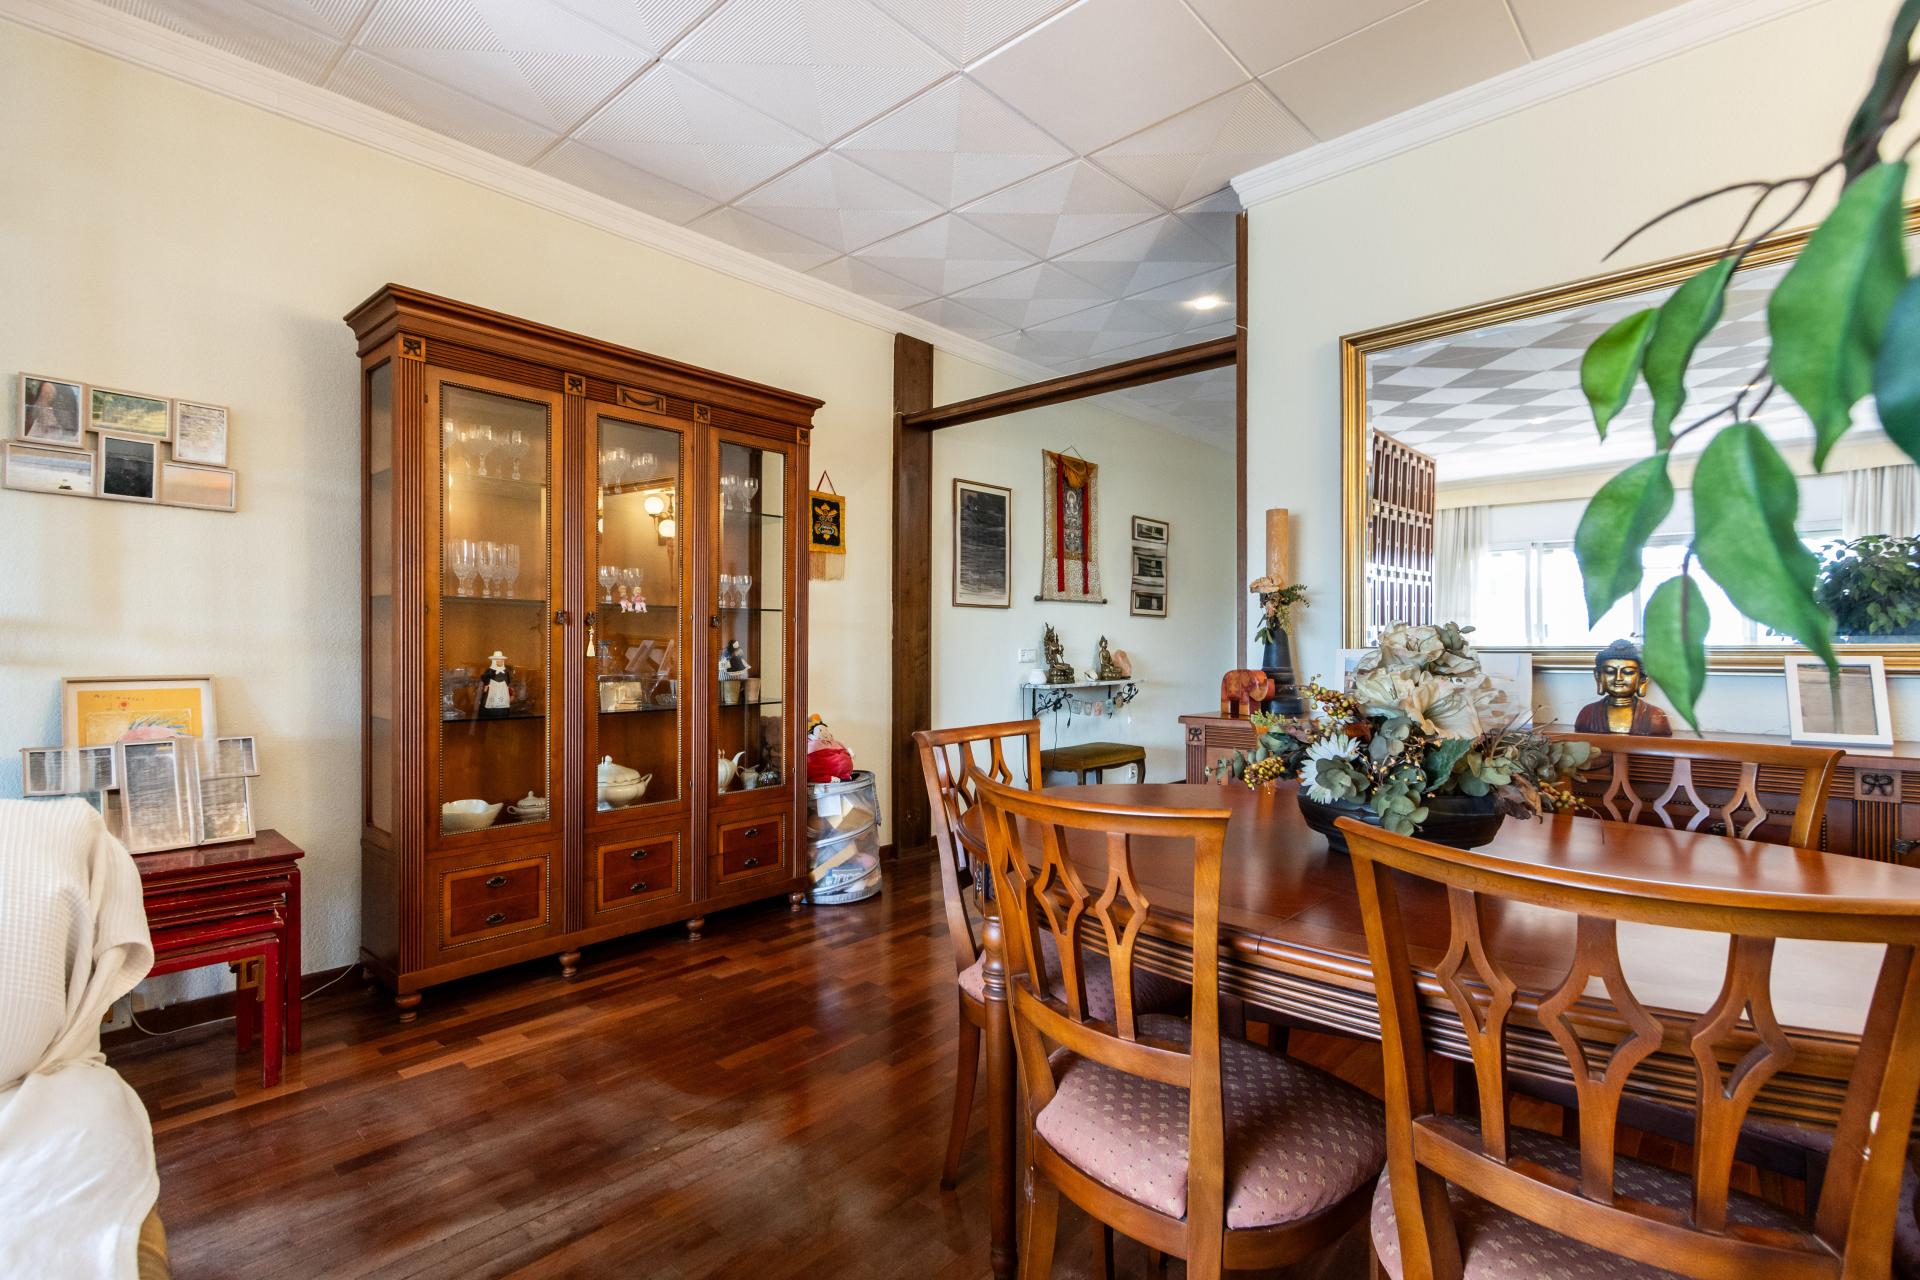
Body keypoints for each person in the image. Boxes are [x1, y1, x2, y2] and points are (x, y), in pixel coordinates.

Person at [1573, 639, 1672, 735]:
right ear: (1598, 676)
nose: (1618, 678)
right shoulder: (1588, 713)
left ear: (1642, 678)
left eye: (1628, 672)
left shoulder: (1655, 716)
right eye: (1610, 672)